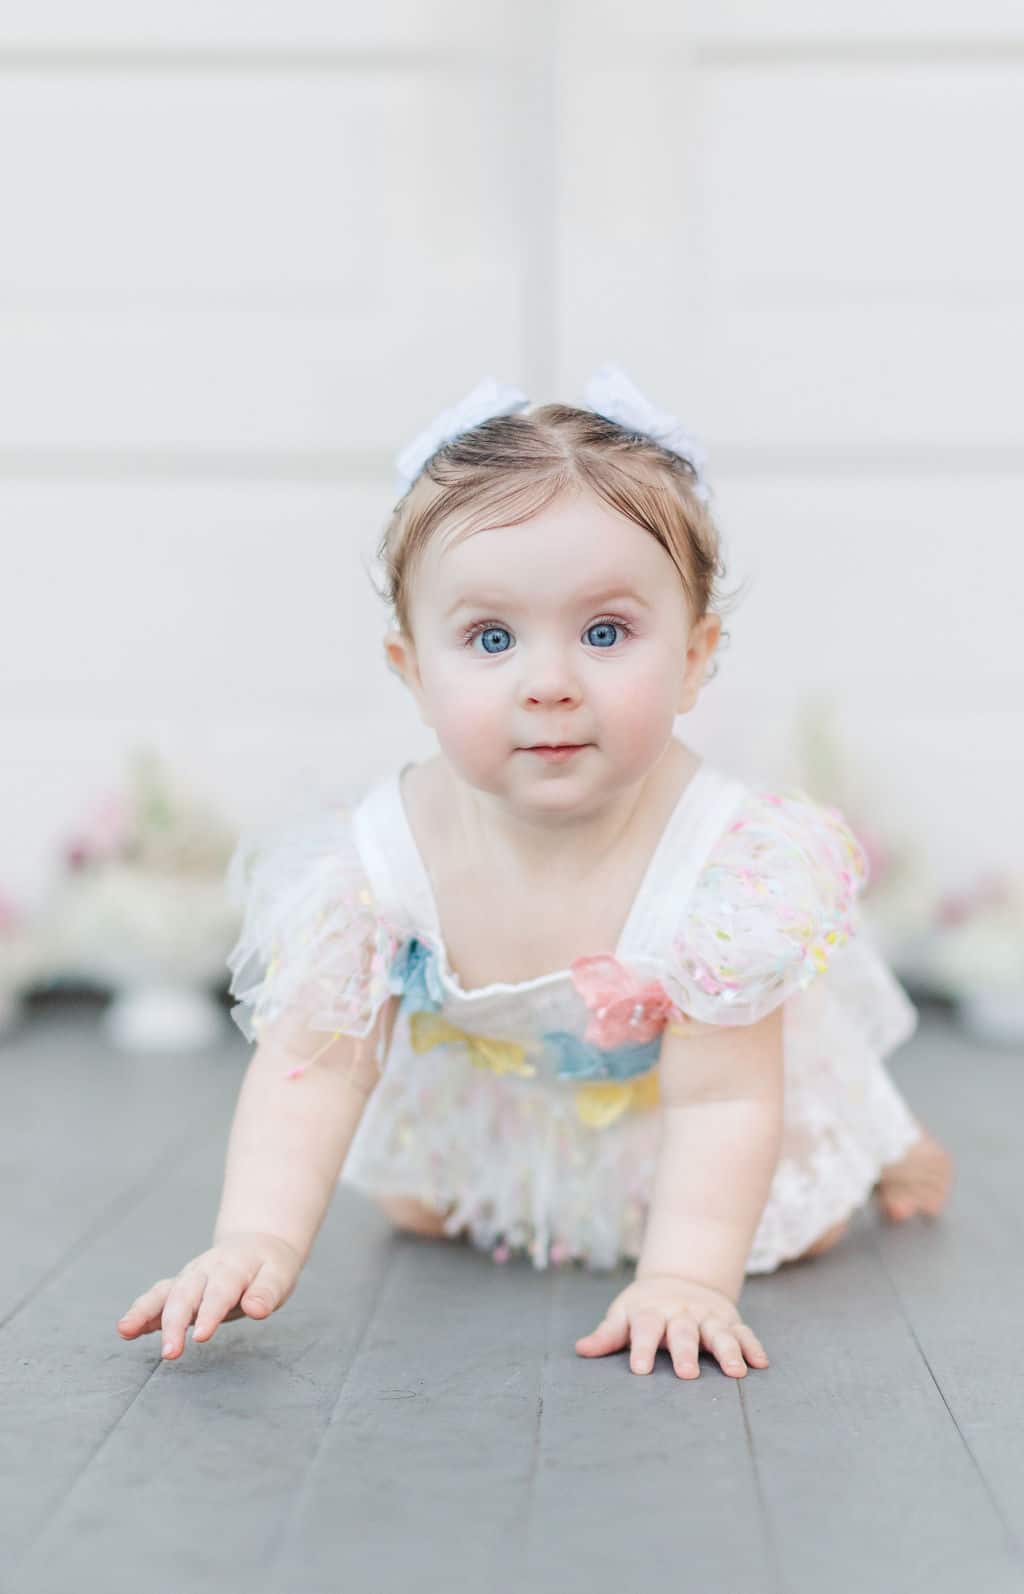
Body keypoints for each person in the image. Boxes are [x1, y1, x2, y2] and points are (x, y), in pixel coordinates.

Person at [116, 365, 953, 1379]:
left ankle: (892, 1149)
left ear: (694, 657)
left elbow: (723, 1101)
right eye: (491, 637)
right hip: (509, 1098)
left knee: (796, 1226)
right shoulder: (375, 864)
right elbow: (316, 1065)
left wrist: (685, 1279)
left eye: (606, 633)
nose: (549, 684)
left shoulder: (722, 870)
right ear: (412, 669)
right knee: (419, 1206)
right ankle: (542, 1181)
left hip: (702, 1103)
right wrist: (256, 1236)